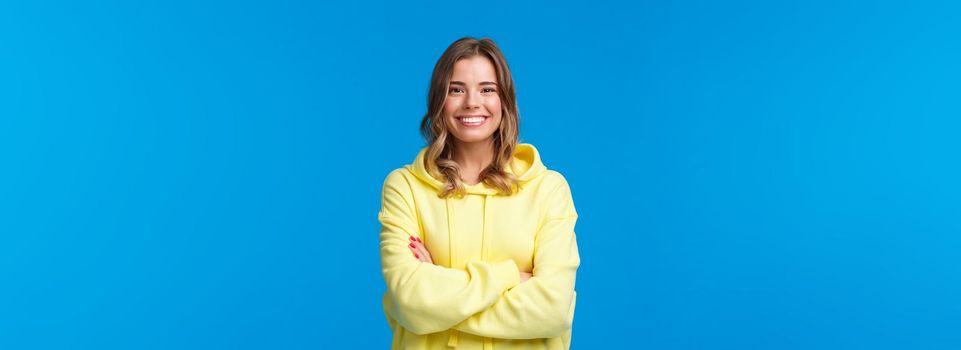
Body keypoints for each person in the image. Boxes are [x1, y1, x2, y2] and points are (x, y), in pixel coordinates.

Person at [378, 37, 580, 350]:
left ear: (505, 101)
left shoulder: (548, 188)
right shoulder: (404, 187)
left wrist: (438, 300)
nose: (472, 102)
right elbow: (410, 303)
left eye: (487, 89)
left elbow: (552, 310)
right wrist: (511, 276)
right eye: (456, 89)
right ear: (439, 100)